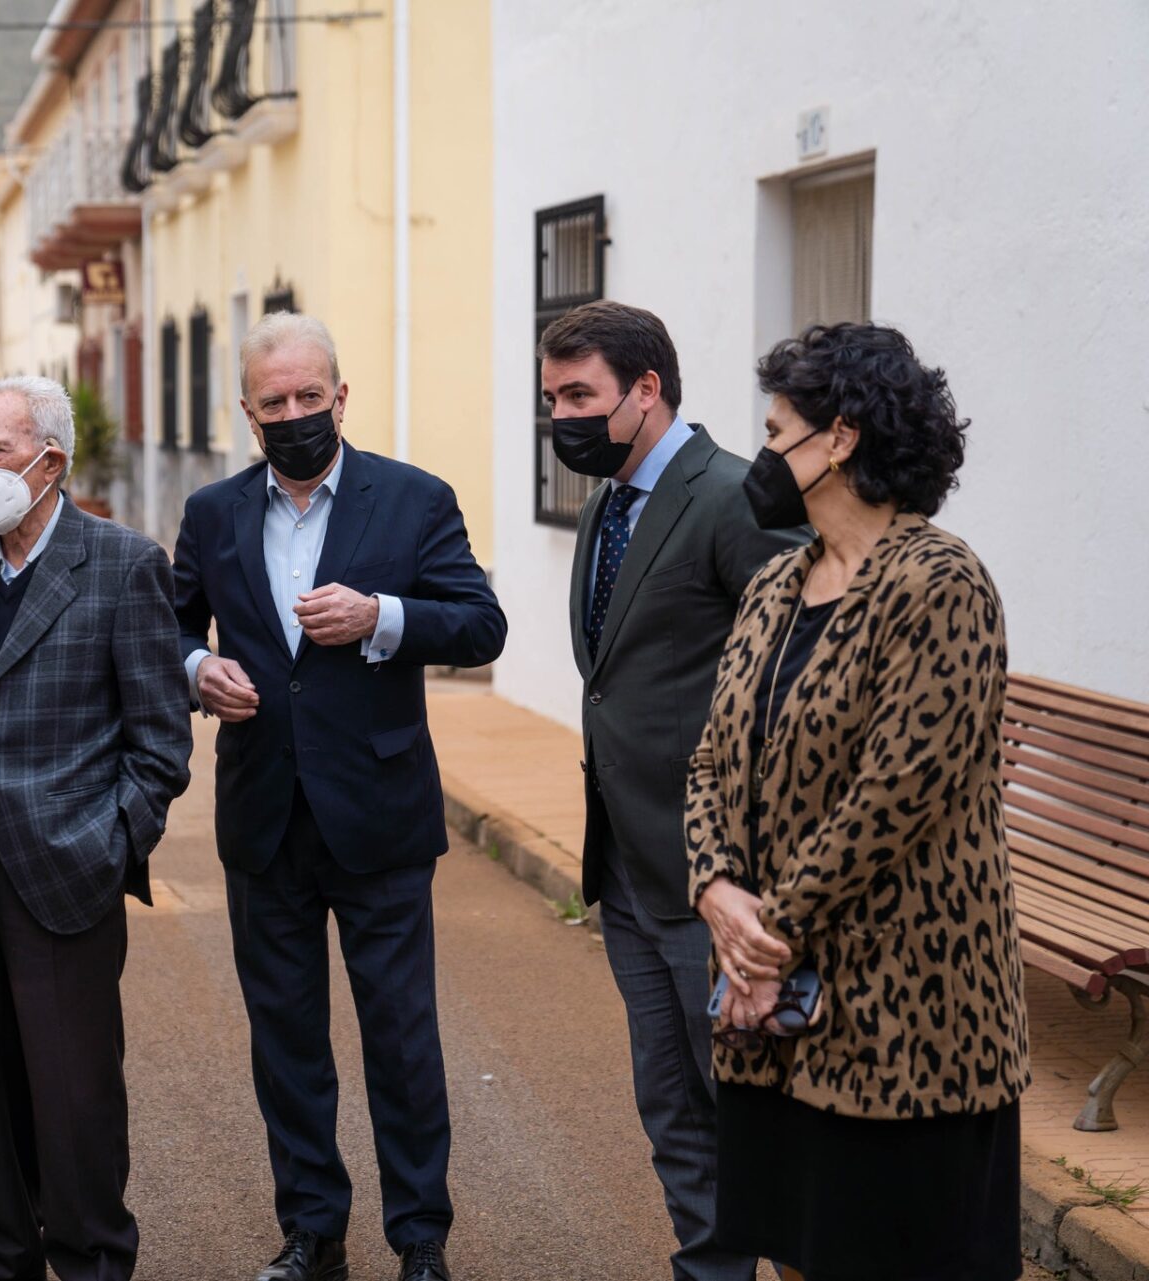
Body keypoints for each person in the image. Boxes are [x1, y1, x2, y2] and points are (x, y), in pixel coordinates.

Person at [688, 323, 1029, 1281]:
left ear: (839, 438)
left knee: (895, 1255)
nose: (761, 453)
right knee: (800, 1246)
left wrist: (768, 930)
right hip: (780, 1012)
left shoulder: (941, 582)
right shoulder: (773, 585)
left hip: (906, 1010)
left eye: (775, 429)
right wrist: (716, 887)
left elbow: (896, 793)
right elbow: (713, 755)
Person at [173, 312, 506, 1281]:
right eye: (273, 403)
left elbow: (480, 624)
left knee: (401, 1039)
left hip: (382, 815)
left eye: (309, 398)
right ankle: (312, 1232)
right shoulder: (212, 513)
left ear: (341, 397)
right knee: (287, 1043)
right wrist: (199, 668)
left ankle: (421, 1241)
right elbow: (162, 627)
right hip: (264, 819)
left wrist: (382, 618)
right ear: (248, 412)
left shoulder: (412, 501)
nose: (293, 415)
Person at [0, 376, 193, 1281]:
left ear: (51, 463)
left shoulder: (124, 564)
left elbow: (161, 742)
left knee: (74, 1087)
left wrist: (112, 843)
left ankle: (92, 1254)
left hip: (68, 864)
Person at [539, 300, 805, 1281]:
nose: (562, 416)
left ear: (647, 389)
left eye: (581, 396)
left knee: (753, 1111)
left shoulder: (737, 497)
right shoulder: (611, 498)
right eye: (551, 397)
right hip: (628, 867)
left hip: (717, 879)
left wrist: (751, 873)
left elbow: (797, 690)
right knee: (674, 1111)